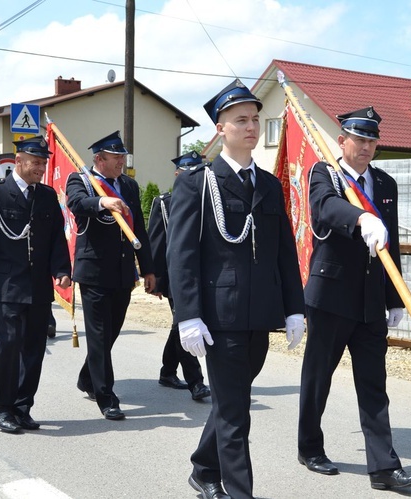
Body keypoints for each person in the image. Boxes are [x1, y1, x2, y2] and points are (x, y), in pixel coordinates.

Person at [166, 79, 305, 499]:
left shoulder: (267, 185)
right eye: (240, 119)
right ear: (220, 129)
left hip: (259, 313)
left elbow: (284, 250)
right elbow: (182, 255)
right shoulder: (197, 183)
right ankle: (237, 490)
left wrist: (295, 308)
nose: (251, 125)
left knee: (232, 401)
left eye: (255, 118)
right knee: (236, 413)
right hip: (218, 315)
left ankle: (204, 467)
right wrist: (187, 315)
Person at [297, 107, 411, 491]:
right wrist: (361, 219)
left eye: (373, 141)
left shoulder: (385, 183)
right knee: (318, 377)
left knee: (374, 384)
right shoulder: (326, 174)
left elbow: (393, 243)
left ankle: (384, 468)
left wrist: (395, 297)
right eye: (360, 140)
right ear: (342, 141)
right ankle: (309, 447)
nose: (367, 147)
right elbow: (324, 208)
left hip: (371, 299)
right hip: (331, 296)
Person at [0, 136, 71, 433]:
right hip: (6, 283)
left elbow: (55, 238)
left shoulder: (47, 196)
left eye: (44, 163)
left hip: (37, 285)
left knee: (34, 347)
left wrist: (61, 269)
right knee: (9, 345)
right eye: (36, 163)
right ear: (19, 161)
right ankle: (2, 406)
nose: (41, 168)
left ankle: (23, 406)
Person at [66, 131, 156, 421]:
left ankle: (88, 377)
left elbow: (138, 229)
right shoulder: (81, 180)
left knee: (109, 334)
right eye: (116, 158)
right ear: (99, 159)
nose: (121, 162)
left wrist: (149, 268)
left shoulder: (128, 185)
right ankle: (106, 396)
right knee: (99, 334)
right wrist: (102, 202)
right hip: (93, 271)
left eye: (122, 157)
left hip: (122, 271)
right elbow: (77, 203)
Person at [149, 151, 210, 401]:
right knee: (184, 322)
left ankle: (167, 371)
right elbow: (157, 243)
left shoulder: (211, 201)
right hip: (177, 276)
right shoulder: (165, 203)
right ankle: (196, 381)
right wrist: (158, 281)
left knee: (179, 325)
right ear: (177, 175)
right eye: (187, 172)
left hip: (205, 275)